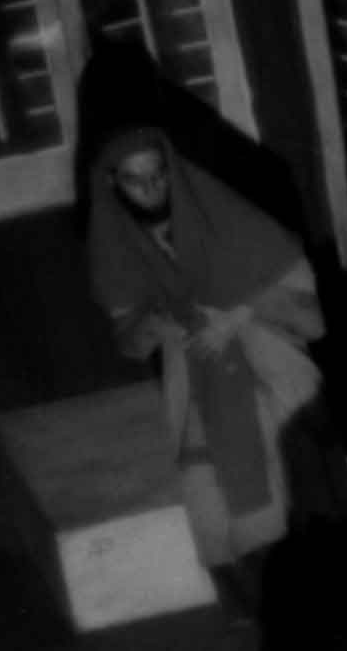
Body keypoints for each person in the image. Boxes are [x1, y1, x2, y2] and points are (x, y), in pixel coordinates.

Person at [85, 125, 333, 615]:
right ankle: (263, 612)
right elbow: (129, 337)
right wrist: (158, 323)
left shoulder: (228, 219)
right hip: (197, 383)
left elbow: (306, 306)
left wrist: (238, 314)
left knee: (291, 488)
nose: (152, 189)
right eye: (137, 181)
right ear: (115, 184)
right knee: (211, 500)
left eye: (158, 175)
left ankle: (313, 601)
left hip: (265, 372)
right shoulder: (121, 244)